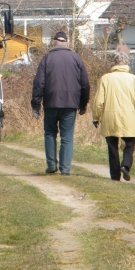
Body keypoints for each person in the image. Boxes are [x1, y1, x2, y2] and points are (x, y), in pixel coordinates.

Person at [31, 31, 90, 175]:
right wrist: (83, 104)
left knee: (50, 133)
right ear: (68, 43)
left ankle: (51, 164)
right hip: (71, 104)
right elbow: (85, 84)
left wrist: (36, 104)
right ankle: (65, 169)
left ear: (53, 43)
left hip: (51, 102)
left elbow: (39, 83)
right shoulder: (76, 58)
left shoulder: (47, 58)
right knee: (67, 137)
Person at [91, 49, 135, 181]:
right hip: (128, 118)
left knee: (112, 145)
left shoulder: (105, 79)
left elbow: (98, 101)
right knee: (130, 143)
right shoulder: (134, 80)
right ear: (127, 63)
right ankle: (126, 166)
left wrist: (96, 117)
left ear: (114, 63)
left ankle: (115, 175)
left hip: (110, 118)